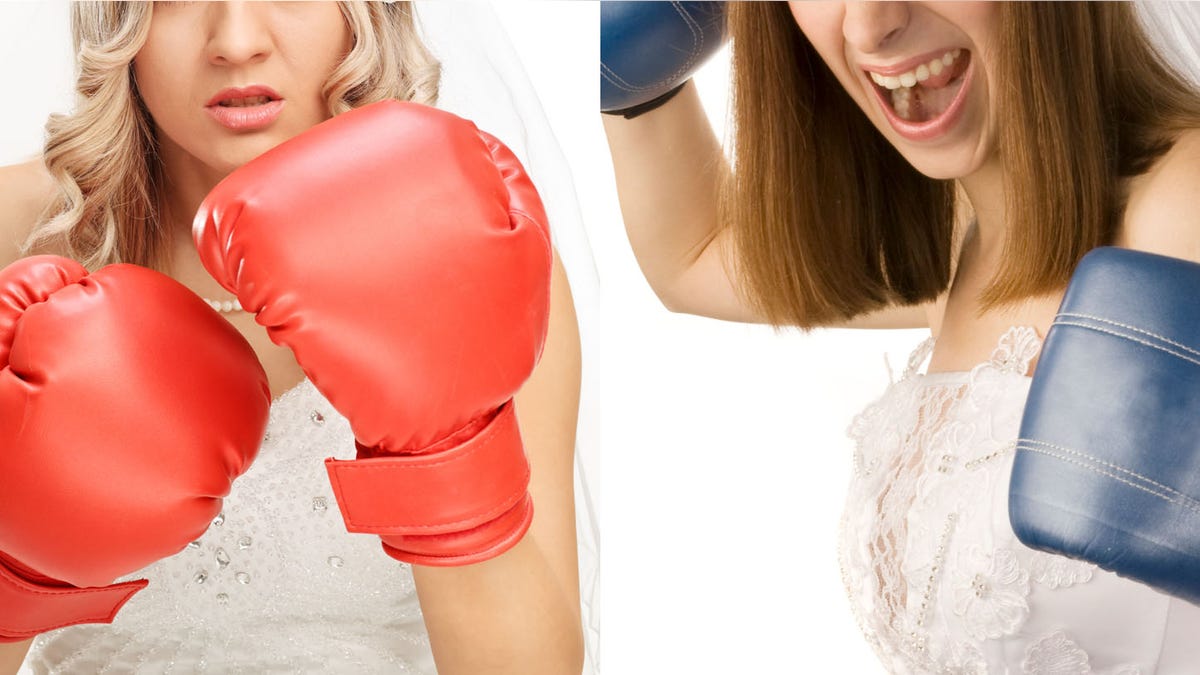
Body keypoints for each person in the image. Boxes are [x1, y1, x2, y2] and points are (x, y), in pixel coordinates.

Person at [603, 1, 1200, 672]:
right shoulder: (967, 236)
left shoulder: (1181, 212)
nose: (870, 24)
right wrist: (634, 82)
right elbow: (698, 255)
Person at [0, 2, 593, 673]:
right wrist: (17, 569)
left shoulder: (471, 239)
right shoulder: (13, 234)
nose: (238, 41)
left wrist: (446, 451)